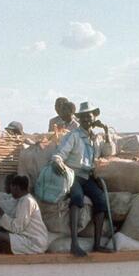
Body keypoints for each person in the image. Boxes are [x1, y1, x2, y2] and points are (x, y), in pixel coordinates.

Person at [50, 101, 116, 257]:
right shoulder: (73, 135)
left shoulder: (96, 137)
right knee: (77, 198)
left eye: (89, 116)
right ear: (79, 119)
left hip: (89, 176)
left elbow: (108, 152)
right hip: (74, 175)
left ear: (94, 119)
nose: (87, 119)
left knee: (101, 201)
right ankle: (74, 243)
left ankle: (97, 244)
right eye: (84, 117)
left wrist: (106, 132)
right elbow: (60, 153)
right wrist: (58, 160)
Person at [0, 175, 49, 254]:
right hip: (28, 239)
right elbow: (7, 203)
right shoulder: (21, 199)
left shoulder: (27, 201)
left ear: (16, 188)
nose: (10, 191)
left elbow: (17, 228)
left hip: (34, 242)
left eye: (11, 188)